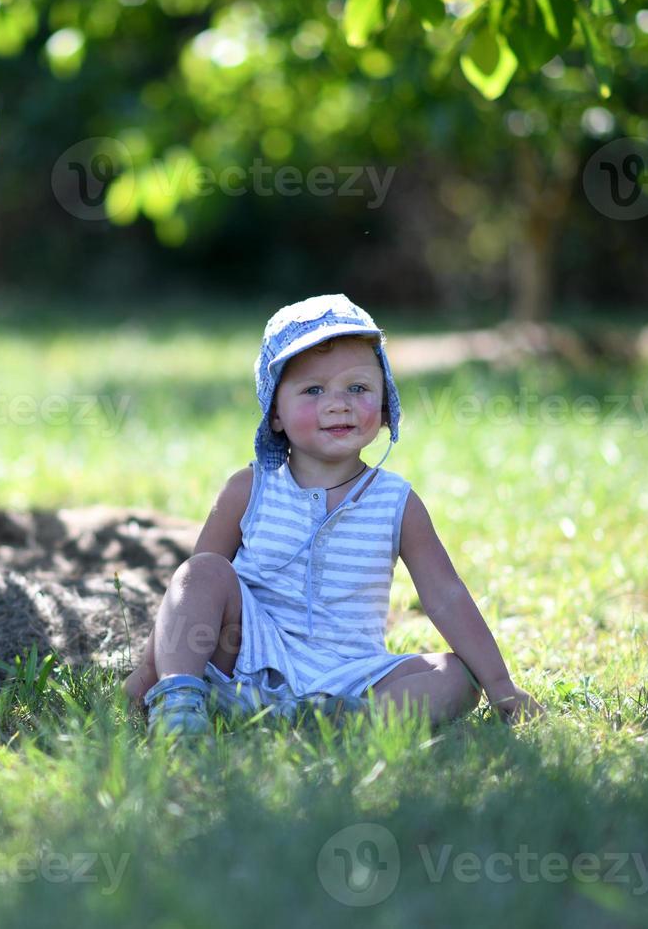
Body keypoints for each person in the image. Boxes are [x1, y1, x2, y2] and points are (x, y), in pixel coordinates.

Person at [122, 294, 543, 739]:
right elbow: (189, 597)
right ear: (276, 414)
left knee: (457, 676)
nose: (338, 404)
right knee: (204, 570)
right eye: (313, 390)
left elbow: (445, 595)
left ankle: (340, 720)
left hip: (352, 674)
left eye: (358, 389)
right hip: (245, 659)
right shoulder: (249, 489)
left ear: (384, 406)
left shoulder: (395, 502)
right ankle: (180, 700)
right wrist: (145, 678)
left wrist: (500, 686)